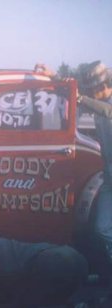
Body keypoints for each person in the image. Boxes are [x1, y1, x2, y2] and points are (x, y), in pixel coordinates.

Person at [35, 61, 112, 279]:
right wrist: (54, 77)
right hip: (109, 178)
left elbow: (108, 111)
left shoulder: (103, 106)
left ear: (100, 86)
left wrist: (80, 97)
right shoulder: (96, 103)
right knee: (102, 228)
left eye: (90, 89)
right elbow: (72, 95)